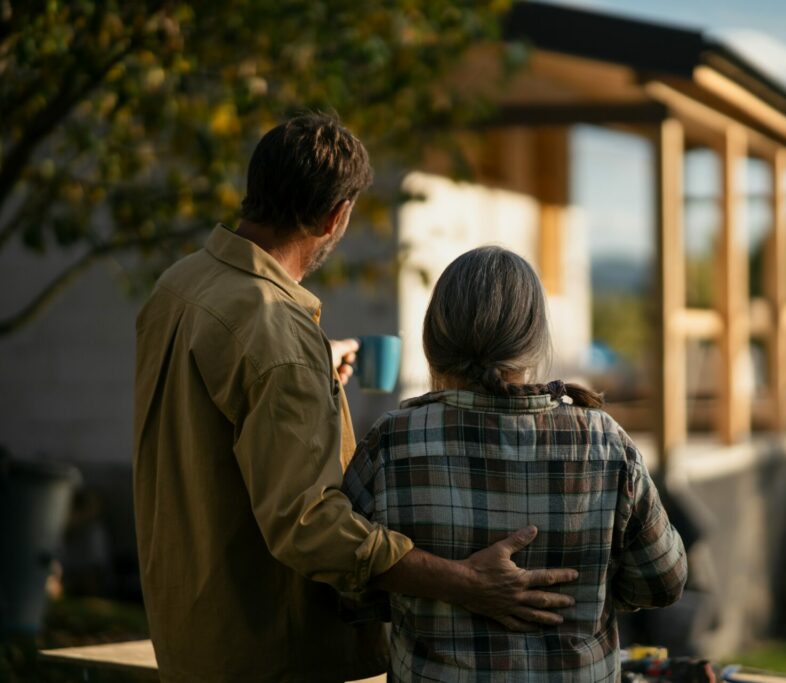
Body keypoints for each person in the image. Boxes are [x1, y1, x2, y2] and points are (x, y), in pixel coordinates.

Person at [133, 113, 577, 683]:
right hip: (269, 651)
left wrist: (315, 371)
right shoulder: (277, 336)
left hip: (188, 631)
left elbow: (212, 420)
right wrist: (467, 582)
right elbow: (310, 528)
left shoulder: (180, 286)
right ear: (334, 216)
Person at [342, 246, 688, 682]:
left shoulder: (392, 442)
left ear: (434, 336)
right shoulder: (605, 442)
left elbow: (348, 590)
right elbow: (663, 582)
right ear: (535, 339)